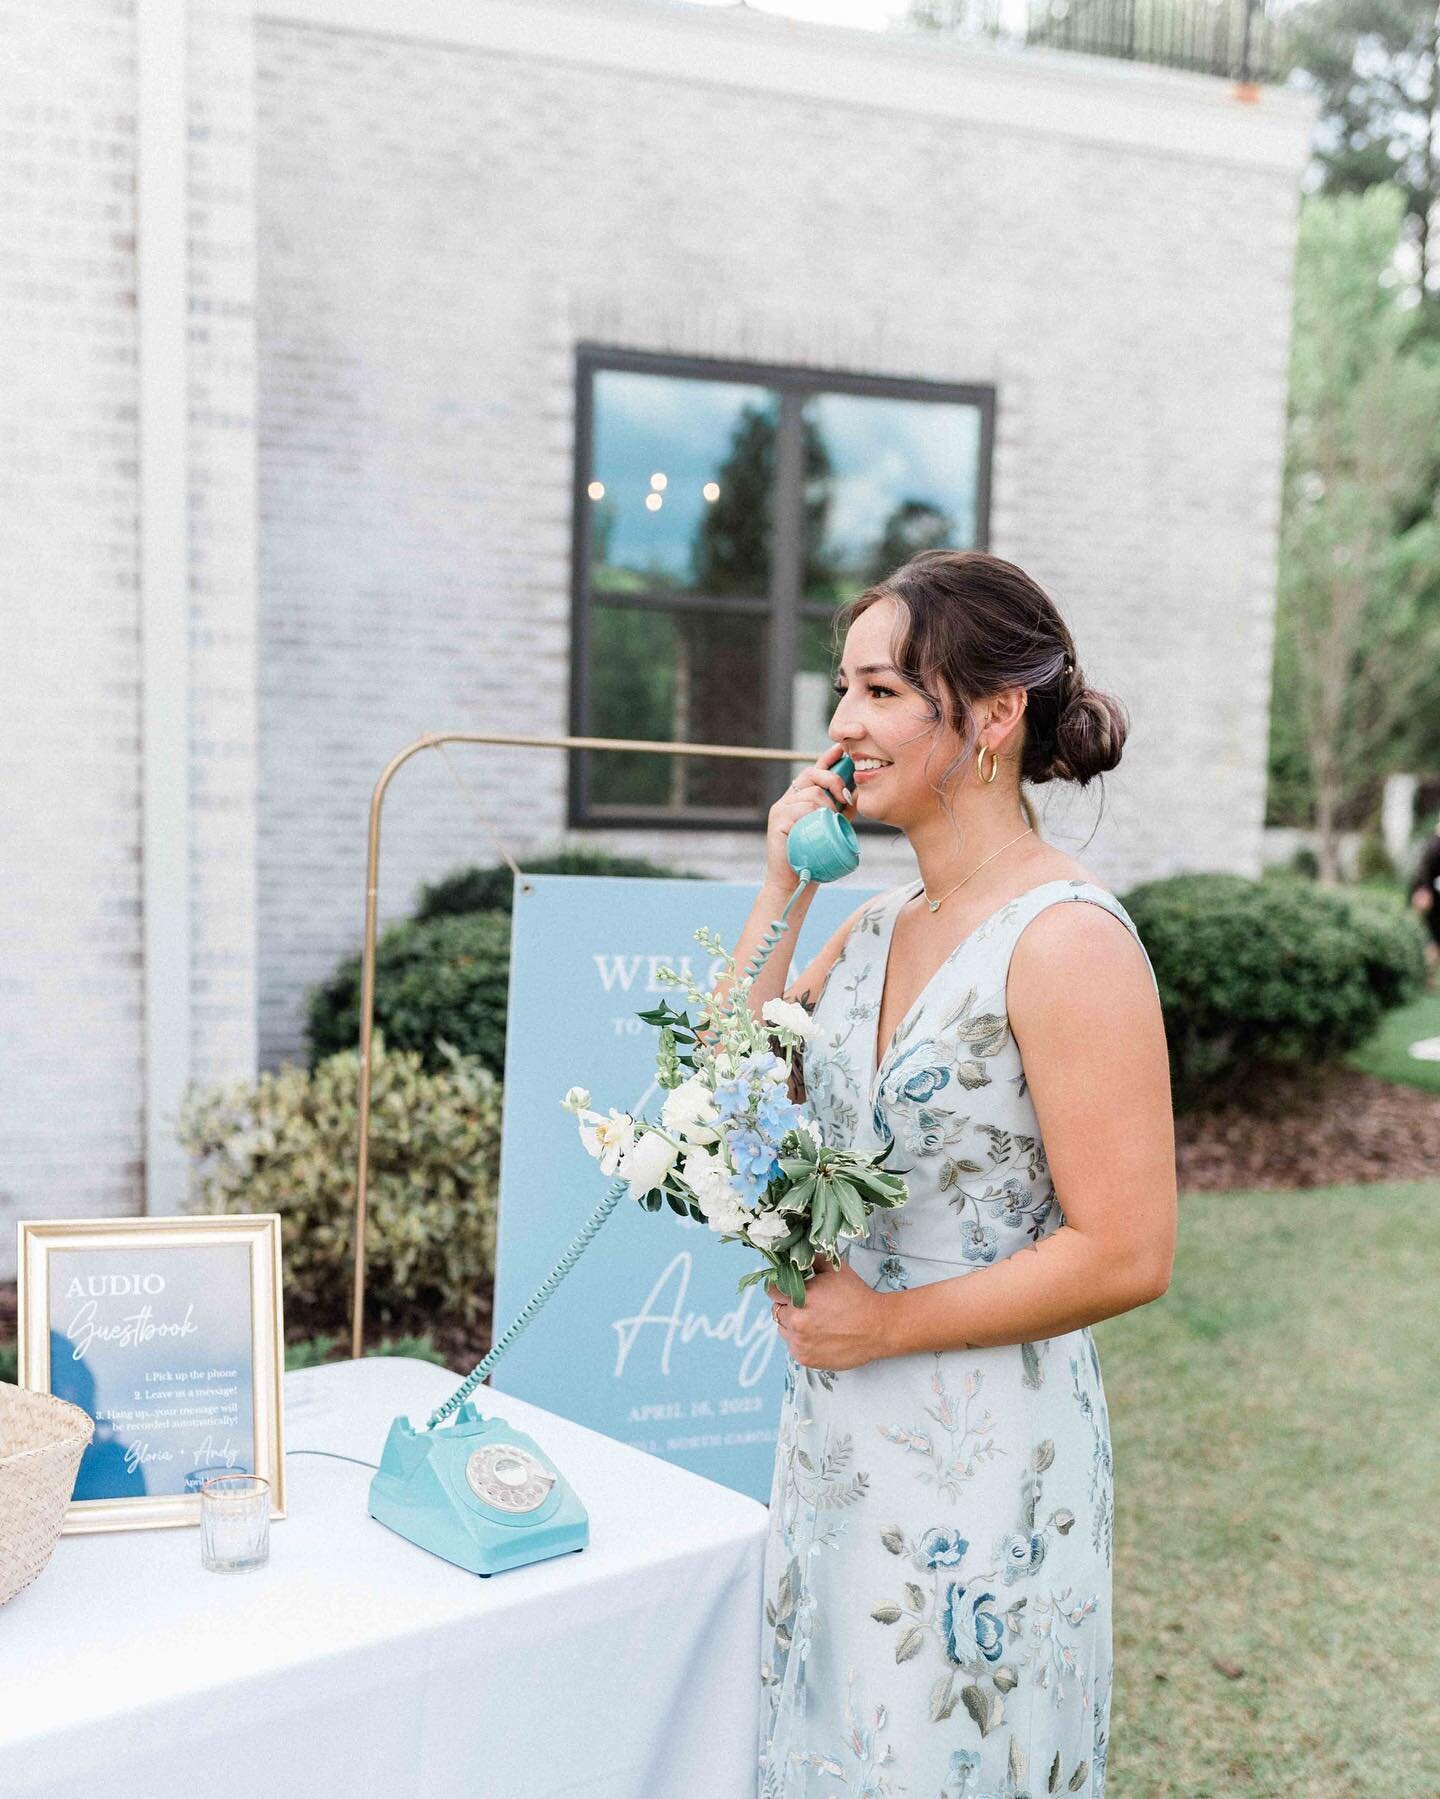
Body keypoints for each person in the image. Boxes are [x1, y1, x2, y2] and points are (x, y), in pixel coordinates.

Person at [726, 550, 1176, 1798]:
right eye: (843, 689)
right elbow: (731, 1107)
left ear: (989, 716)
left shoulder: (1067, 941)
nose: (840, 724)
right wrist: (780, 883)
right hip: (841, 1441)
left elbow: (1130, 1248)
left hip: (985, 1455)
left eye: (878, 690)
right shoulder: (869, 929)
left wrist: (884, 1324)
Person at [1408, 813, 1440, 991]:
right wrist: (1423, 893)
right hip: (1432, 900)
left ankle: (1428, 979)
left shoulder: (1433, 844)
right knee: (1435, 939)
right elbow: (1424, 873)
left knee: (1435, 940)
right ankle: (1426, 978)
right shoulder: (1435, 846)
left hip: (1432, 897)